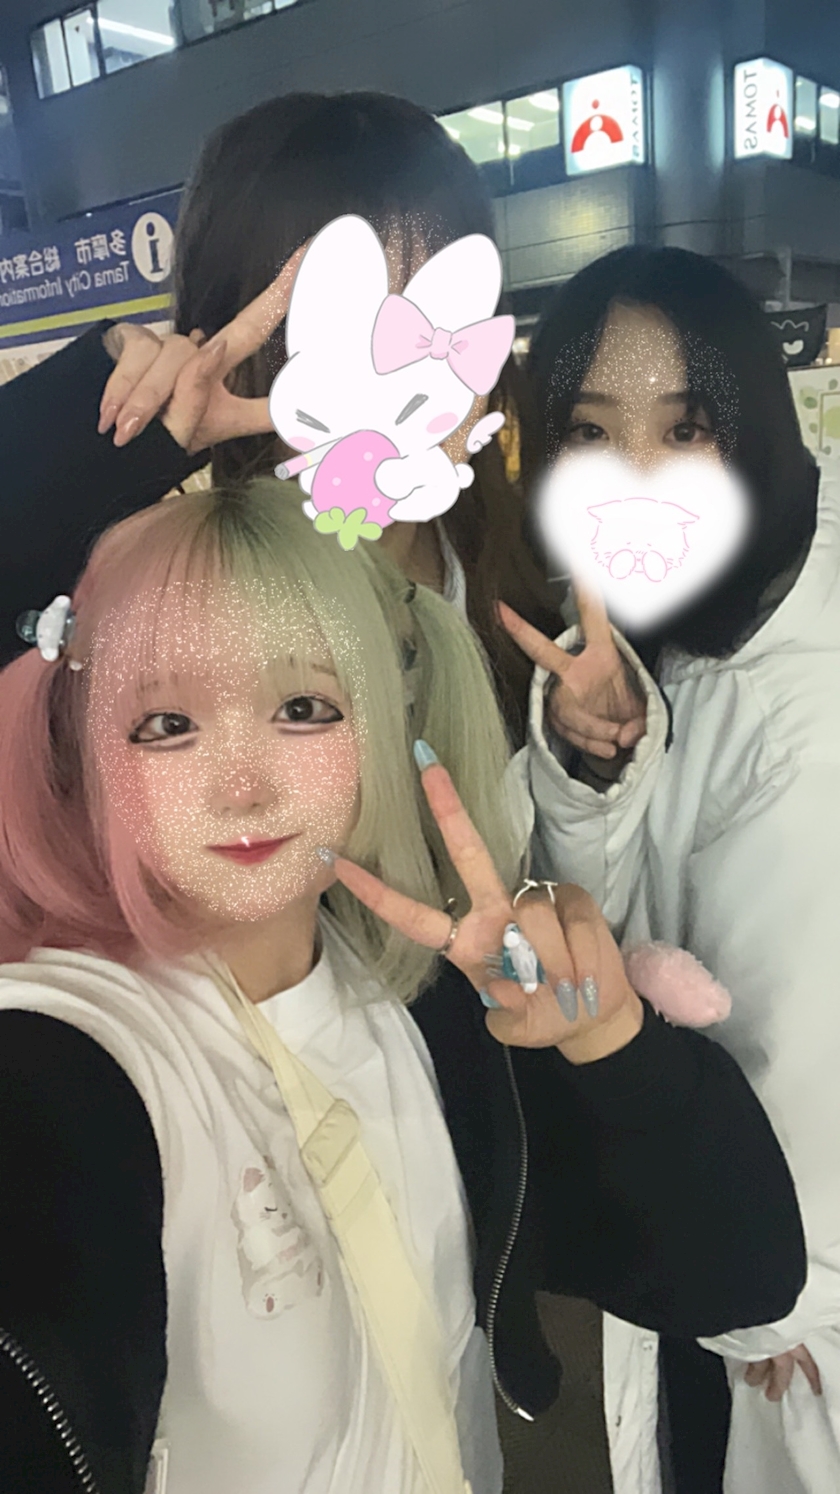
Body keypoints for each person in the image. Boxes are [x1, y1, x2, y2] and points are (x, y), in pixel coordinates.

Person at [0, 482, 806, 1494]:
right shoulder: (65, 1066)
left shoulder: (437, 1018)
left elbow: (739, 1280)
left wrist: (609, 1044)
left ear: (383, 722)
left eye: (302, 708)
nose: (241, 784)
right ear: (84, 746)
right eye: (167, 722)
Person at [502, 244, 838, 1494]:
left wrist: (771, 1304)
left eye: (685, 429)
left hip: (783, 1320)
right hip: (708, 1223)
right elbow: (606, 921)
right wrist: (596, 760)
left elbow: (808, 1055)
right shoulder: (693, 622)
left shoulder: (803, 703)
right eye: (592, 432)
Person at [0, 91, 558, 736]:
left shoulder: (514, 560)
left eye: (439, 312)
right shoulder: (170, 605)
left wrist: (598, 755)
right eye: (349, 329)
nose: (399, 379)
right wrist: (114, 435)